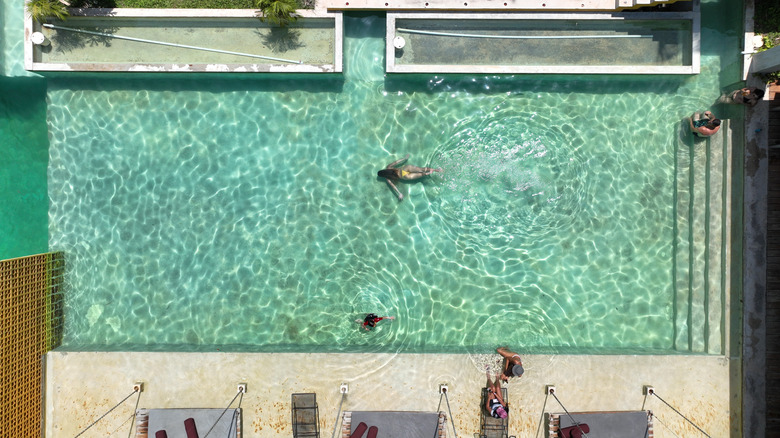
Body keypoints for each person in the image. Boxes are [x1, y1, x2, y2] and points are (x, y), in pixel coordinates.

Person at [377, 154, 442, 201]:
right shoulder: (388, 167)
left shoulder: (387, 179)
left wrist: (399, 193)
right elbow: (396, 162)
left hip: (405, 176)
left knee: (421, 174)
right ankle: (437, 170)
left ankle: (428, 173)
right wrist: (405, 158)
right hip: (405, 169)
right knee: (421, 169)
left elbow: (393, 186)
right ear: (383, 170)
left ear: (383, 176)